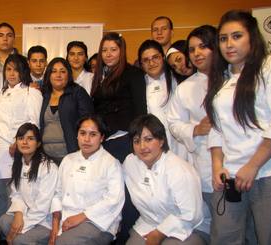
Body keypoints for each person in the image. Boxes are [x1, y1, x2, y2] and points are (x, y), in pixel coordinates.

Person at [204, 10, 271, 245]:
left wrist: (253, 165)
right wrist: (217, 166)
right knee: (224, 237)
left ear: (252, 38)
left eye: (236, 36)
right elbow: (217, 127)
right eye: (223, 38)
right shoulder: (222, 78)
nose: (229, 44)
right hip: (232, 176)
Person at [92, 32, 146, 244]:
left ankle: (126, 235)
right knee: (109, 191)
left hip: (124, 140)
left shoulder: (133, 73)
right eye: (104, 50)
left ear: (121, 51)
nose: (108, 54)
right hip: (106, 142)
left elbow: (141, 109)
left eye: (113, 49)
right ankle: (111, 233)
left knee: (127, 192)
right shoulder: (101, 74)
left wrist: (137, 141)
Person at [166, 25, 217, 239]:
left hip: (246, 166)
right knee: (220, 227)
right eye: (193, 49)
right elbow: (174, 122)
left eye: (203, 47)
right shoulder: (186, 88)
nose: (196, 54)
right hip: (206, 164)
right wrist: (196, 129)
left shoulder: (237, 79)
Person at [123, 114, 205, 245]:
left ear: (161, 141)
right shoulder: (130, 163)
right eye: (136, 141)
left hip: (186, 229)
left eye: (148, 139)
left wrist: (159, 233)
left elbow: (192, 215)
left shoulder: (178, 169)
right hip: (148, 225)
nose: (142, 146)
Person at [49, 115, 125, 245]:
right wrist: (55, 225)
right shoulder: (68, 160)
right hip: (66, 218)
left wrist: (81, 217)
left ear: (102, 138)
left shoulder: (110, 163)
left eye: (93, 134)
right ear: (77, 135)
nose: (86, 139)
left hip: (98, 221)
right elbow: (58, 193)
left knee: (65, 242)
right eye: (82, 133)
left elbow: (113, 199)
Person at [0, 54, 42, 218]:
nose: (12, 74)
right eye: (8, 69)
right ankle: (4, 228)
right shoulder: (3, 92)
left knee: (18, 190)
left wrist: (16, 142)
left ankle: (19, 226)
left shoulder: (31, 92)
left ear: (23, 72)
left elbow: (33, 124)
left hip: (18, 148)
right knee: (0, 191)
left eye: (16, 70)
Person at [0, 123, 59, 245]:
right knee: (4, 221)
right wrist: (19, 214)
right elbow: (16, 194)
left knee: (18, 240)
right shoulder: (18, 164)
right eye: (21, 138)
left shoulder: (48, 167)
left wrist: (20, 227)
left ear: (38, 144)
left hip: (44, 221)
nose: (25, 142)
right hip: (26, 213)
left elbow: (43, 206)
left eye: (30, 138)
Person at [138, 39, 188, 160]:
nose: (151, 63)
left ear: (163, 58)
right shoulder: (139, 85)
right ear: (141, 64)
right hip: (154, 143)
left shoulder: (177, 77)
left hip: (181, 141)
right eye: (146, 60)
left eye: (155, 57)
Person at [40, 58, 93, 164]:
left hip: (71, 155)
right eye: (54, 71)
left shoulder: (78, 92)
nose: (58, 75)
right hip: (46, 157)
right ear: (48, 74)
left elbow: (88, 121)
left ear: (68, 74)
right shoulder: (43, 94)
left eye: (62, 71)